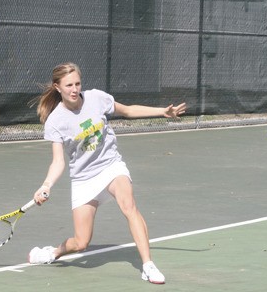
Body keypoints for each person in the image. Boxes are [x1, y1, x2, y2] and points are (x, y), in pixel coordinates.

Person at [28, 62, 186, 284]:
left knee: (129, 206)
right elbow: (58, 162)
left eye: (77, 83)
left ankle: (148, 265)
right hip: (84, 178)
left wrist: (163, 111)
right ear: (57, 87)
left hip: (110, 165)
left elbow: (128, 110)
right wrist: (46, 185)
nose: (74, 89)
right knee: (81, 242)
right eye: (69, 85)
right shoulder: (55, 121)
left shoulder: (96, 98)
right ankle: (53, 253)